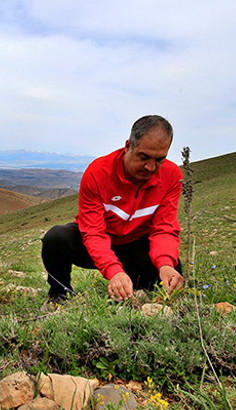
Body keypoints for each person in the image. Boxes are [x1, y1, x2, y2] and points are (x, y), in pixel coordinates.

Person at [41, 115, 183, 303]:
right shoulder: (98, 172)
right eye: (144, 157)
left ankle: (137, 285)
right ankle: (59, 294)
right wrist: (113, 270)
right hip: (100, 244)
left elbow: (164, 227)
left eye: (159, 159)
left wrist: (165, 264)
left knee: (173, 272)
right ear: (128, 146)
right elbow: (93, 231)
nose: (150, 167)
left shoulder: (172, 175)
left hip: (137, 246)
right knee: (56, 238)